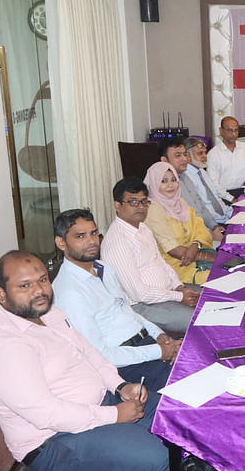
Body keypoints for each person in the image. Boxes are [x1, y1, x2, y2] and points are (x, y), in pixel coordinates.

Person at [0, 250, 169, 471]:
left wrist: (120, 386)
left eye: (43, 280)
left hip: (98, 405)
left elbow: (90, 353)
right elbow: (47, 414)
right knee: (155, 456)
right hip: (53, 441)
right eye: (25, 286)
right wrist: (114, 415)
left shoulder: (49, 312)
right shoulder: (3, 345)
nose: (39, 291)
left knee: (173, 416)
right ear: (1, 294)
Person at [52, 209, 180, 393]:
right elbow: (99, 355)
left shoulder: (103, 268)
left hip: (147, 344)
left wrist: (159, 335)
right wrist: (159, 351)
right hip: (125, 365)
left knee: (200, 354)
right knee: (190, 380)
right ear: (61, 243)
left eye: (94, 233)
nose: (91, 241)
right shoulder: (70, 292)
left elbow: (127, 310)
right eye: (80, 236)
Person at [101, 177, 198, 333]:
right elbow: (138, 294)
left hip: (168, 294)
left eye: (144, 202)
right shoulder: (117, 242)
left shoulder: (143, 229)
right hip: (143, 306)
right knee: (202, 320)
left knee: (214, 297)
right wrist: (179, 296)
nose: (140, 207)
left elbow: (162, 263)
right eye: (133, 202)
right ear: (117, 205)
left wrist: (179, 286)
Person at [143, 162, 214, 285]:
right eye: (163, 181)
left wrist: (195, 245)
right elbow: (173, 250)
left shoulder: (180, 202)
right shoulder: (153, 209)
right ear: (153, 184)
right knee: (225, 276)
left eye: (173, 180)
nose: (170, 185)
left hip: (196, 257)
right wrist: (212, 258)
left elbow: (200, 228)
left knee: (237, 266)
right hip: (176, 268)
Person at [160, 137, 229, 239]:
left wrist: (214, 227)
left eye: (184, 154)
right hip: (191, 239)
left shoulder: (184, 177)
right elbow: (183, 224)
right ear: (164, 160)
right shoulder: (165, 186)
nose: (184, 159)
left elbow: (201, 207)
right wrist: (210, 235)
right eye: (178, 155)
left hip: (206, 229)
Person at [206, 115, 245, 195]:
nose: (233, 134)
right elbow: (213, 184)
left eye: (236, 130)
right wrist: (230, 198)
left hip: (244, 191)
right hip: (223, 194)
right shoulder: (213, 154)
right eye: (230, 130)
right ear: (221, 131)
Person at [185, 137, 235, 204]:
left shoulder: (202, 172)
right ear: (188, 156)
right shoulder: (185, 178)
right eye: (200, 153)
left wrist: (230, 211)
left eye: (205, 152)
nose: (205, 156)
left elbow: (216, 197)